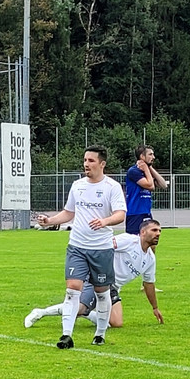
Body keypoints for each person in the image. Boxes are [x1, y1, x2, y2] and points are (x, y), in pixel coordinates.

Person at [36, 146, 127, 348]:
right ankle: (66, 335)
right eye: (85, 160)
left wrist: (105, 222)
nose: (86, 164)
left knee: (101, 292)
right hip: (77, 246)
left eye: (91, 161)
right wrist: (49, 220)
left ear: (102, 164)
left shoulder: (112, 187)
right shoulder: (77, 186)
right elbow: (68, 213)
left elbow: (121, 214)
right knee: (72, 289)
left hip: (101, 249)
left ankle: (100, 334)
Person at [25, 219, 164, 330]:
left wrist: (155, 308)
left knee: (117, 323)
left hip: (114, 288)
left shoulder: (150, 259)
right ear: (143, 232)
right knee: (78, 309)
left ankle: (88, 312)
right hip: (99, 279)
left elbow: (148, 284)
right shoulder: (129, 240)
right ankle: (40, 312)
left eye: (159, 231)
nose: (158, 233)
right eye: (154, 230)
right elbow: (104, 247)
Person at [124, 144, 168, 235]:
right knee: (135, 243)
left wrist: (149, 168)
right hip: (135, 214)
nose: (153, 157)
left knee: (150, 243)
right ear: (142, 156)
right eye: (150, 154)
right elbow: (150, 186)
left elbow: (163, 185)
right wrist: (146, 170)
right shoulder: (134, 171)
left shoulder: (147, 171)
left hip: (146, 213)